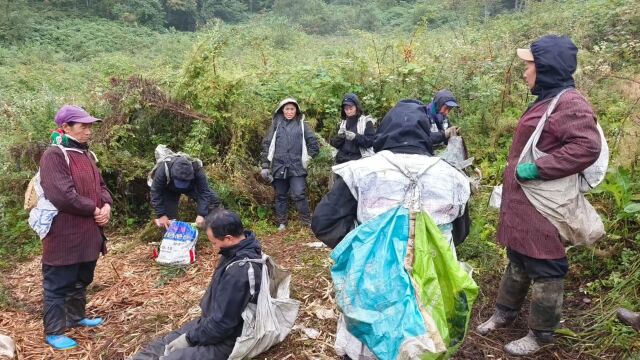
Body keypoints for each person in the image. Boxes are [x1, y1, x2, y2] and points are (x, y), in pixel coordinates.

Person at [311, 100, 471, 359]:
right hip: (430, 278)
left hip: (374, 275)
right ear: (424, 134)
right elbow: (460, 232)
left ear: (385, 131)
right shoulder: (453, 177)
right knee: (425, 337)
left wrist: (365, 245)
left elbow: (324, 223)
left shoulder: (361, 172)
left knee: (370, 340)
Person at [476, 35, 602, 356]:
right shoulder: (549, 98)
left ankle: (541, 334)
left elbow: (586, 146)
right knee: (518, 255)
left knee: (546, 265)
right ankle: (505, 312)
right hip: (525, 202)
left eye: (529, 66)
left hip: (542, 203)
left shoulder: (570, 102)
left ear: (546, 68)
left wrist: (539, 168)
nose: (524, 73)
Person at [132, 209, 263, 360]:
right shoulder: (238, 247)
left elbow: (223, 325)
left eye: (214, 242)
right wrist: (192, 335)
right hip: (211, 322)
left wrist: (189, 339)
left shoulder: (240, 271)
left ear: (228, 238)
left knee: (172, 356)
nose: (214, 248)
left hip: (230, 340)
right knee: (162, 345)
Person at [39, 105, 113, 350]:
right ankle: (55, 330)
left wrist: (106, 206)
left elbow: (101, 186)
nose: (89, 131)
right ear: (66, 127)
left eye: (90, 125)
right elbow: (62, 195)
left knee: (82, 278)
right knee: (58, 283)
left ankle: (75, 317)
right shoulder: (54, 155)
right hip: (64, 235)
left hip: (88, 233)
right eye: (83, 126)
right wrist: (94, 209)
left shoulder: (86, 155)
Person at [260, 98, 320, 231]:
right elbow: (267, 144)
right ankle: (282, 223)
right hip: (279, 166)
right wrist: (265, 165)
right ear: (282, 110)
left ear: (296, 110)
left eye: (292, 109)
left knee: (299, 194)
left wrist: (309, 158)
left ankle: (307, 222)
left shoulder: (302, 125)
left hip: (297, 167)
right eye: (287, 109)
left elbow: (313, 144)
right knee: (280, 195)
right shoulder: (276, 125)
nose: (289, 111)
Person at [150, 154, 221, 229]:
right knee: (168, 217)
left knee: (213, 201)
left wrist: (201, 214)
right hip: (169, 189)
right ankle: (171, 235)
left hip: (191, 186)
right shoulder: (164, 169)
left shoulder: (196, 168)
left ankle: (212, 229)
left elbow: (204, 192)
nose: (181, 185)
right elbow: (156, 192)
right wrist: (161, 215)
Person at [372, 99, 457, 157]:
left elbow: (377, 141)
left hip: (389, 152)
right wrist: (443, 134)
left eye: (449, 109)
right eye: (446, 108)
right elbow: (428, 138)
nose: (446, 112)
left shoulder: (392, 115)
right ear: (439, 103)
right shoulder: (424, 115)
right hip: (422, 152)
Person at [330, 93, 375, 164]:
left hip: (360, 159)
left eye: (351, 108)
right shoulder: (341, 123)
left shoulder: (366, 122)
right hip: (342, 159)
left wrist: (356, 137)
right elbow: (333, 143)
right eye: (346, 109)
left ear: (357, 107)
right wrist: (340, 137)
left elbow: (371, 142)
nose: (348, 111)